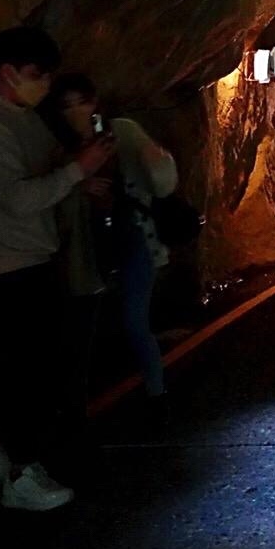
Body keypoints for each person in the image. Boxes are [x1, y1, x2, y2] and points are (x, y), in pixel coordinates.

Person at [0, 27, 114, 511]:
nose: (43, 83)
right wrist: (76, 172)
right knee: (32, 371)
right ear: (7, 73)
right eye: (35, 75)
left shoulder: (22, 119)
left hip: (32, 257)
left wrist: (76, 180)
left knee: (24, 365)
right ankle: (20, 474)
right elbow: (20, 197)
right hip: (5, 264)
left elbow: (47, 172)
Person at [41, 74, 178, 418]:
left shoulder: (122, 133)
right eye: (67, 105)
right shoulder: (57, 150)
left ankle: (157, 394)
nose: (77, 112)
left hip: (131, 237)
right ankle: (77, 410)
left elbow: (161, 181)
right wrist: (79, 185)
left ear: (96, 103)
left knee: (134, 322)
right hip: (84, 248)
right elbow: (50, 205)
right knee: (80, 334)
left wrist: (155, 160)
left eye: (82, 102)